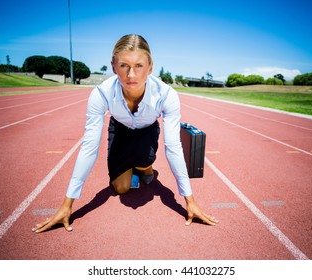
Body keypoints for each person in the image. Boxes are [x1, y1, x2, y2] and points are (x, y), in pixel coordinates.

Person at [32, 34, 218, 233]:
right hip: (120, 130)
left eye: (139, 65)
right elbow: (89, 147)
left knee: (144, 165)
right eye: (124, 66)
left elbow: (173, 147)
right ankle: (133, 165)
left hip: (147, 130)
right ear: (113, 66)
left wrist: (189, 200)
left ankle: (145, 166)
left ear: (150, 67)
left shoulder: (166, 95)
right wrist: (66, 205)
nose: (131, 75)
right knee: (121, 187)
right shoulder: (101, 94)